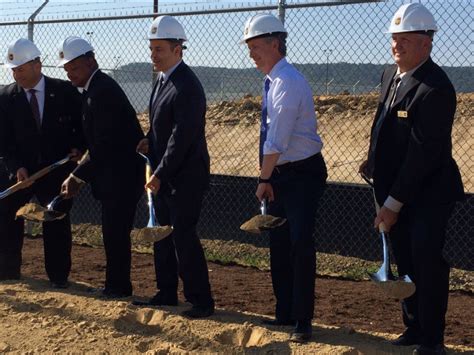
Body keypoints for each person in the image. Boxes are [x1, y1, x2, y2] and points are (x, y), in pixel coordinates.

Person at [359, 4, 464, 354]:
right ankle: (414, 328)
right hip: (393, 188)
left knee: (425, 259)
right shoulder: (391, 74)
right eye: (394, 38)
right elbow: (383, 125)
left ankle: (432, 339)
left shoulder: (436, 88)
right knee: (404, 256)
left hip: (428, 193)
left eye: (406, 40)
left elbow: (422, 155)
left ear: (426, 44)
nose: (397, 45)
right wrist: (371, 162)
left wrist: (391, 205)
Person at [242, 14, 327, 342]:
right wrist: (270, 176)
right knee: (279, 244)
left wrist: (264, 179)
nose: (251, 54)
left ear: (275, 44)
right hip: (281, 173)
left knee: (300, 245)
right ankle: (285, 311)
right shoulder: (272, 81)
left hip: (302, 174)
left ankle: (303, 321)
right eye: (248, 48)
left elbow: (276, 137)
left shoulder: (287, 82)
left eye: (256, 47)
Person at [133, 16, 214, 319]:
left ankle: (201, 300)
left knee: (182, 235)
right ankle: (166, 291)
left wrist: (160, 173)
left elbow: (182, 138)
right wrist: (148, 141)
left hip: (185, 177)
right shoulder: (163, 81)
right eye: (152, 49)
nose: (154, 55)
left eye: (160, 50)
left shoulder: (187, 86)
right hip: (166, 173)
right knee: (162, 234)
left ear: (178, 49)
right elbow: (162, 129)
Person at [58, 36, 145, 298]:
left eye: (75, 68)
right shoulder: (94, 90)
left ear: (91, 61)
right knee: (112, 233)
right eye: (67, 70)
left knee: (116, 234)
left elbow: (106, 144)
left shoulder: (102, 92)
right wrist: (81, 152)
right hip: (114, 176)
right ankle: (115, 285)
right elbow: (96, 139)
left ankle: (118, 287)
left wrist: (77, 175)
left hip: (122, 177)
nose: (71, 74)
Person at [0, 38, 84, 287]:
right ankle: (7, 272)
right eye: (13, 70)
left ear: (37, 64)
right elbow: (3, 141)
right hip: (20, 173)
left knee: (56, 219)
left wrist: (78, 148)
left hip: (55, 170)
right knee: (7, 217)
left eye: (21, 69)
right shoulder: (5, 98)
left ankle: (59, 277)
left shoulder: (66, 91)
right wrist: (16, 168)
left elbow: (80, 127)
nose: (16, 75)